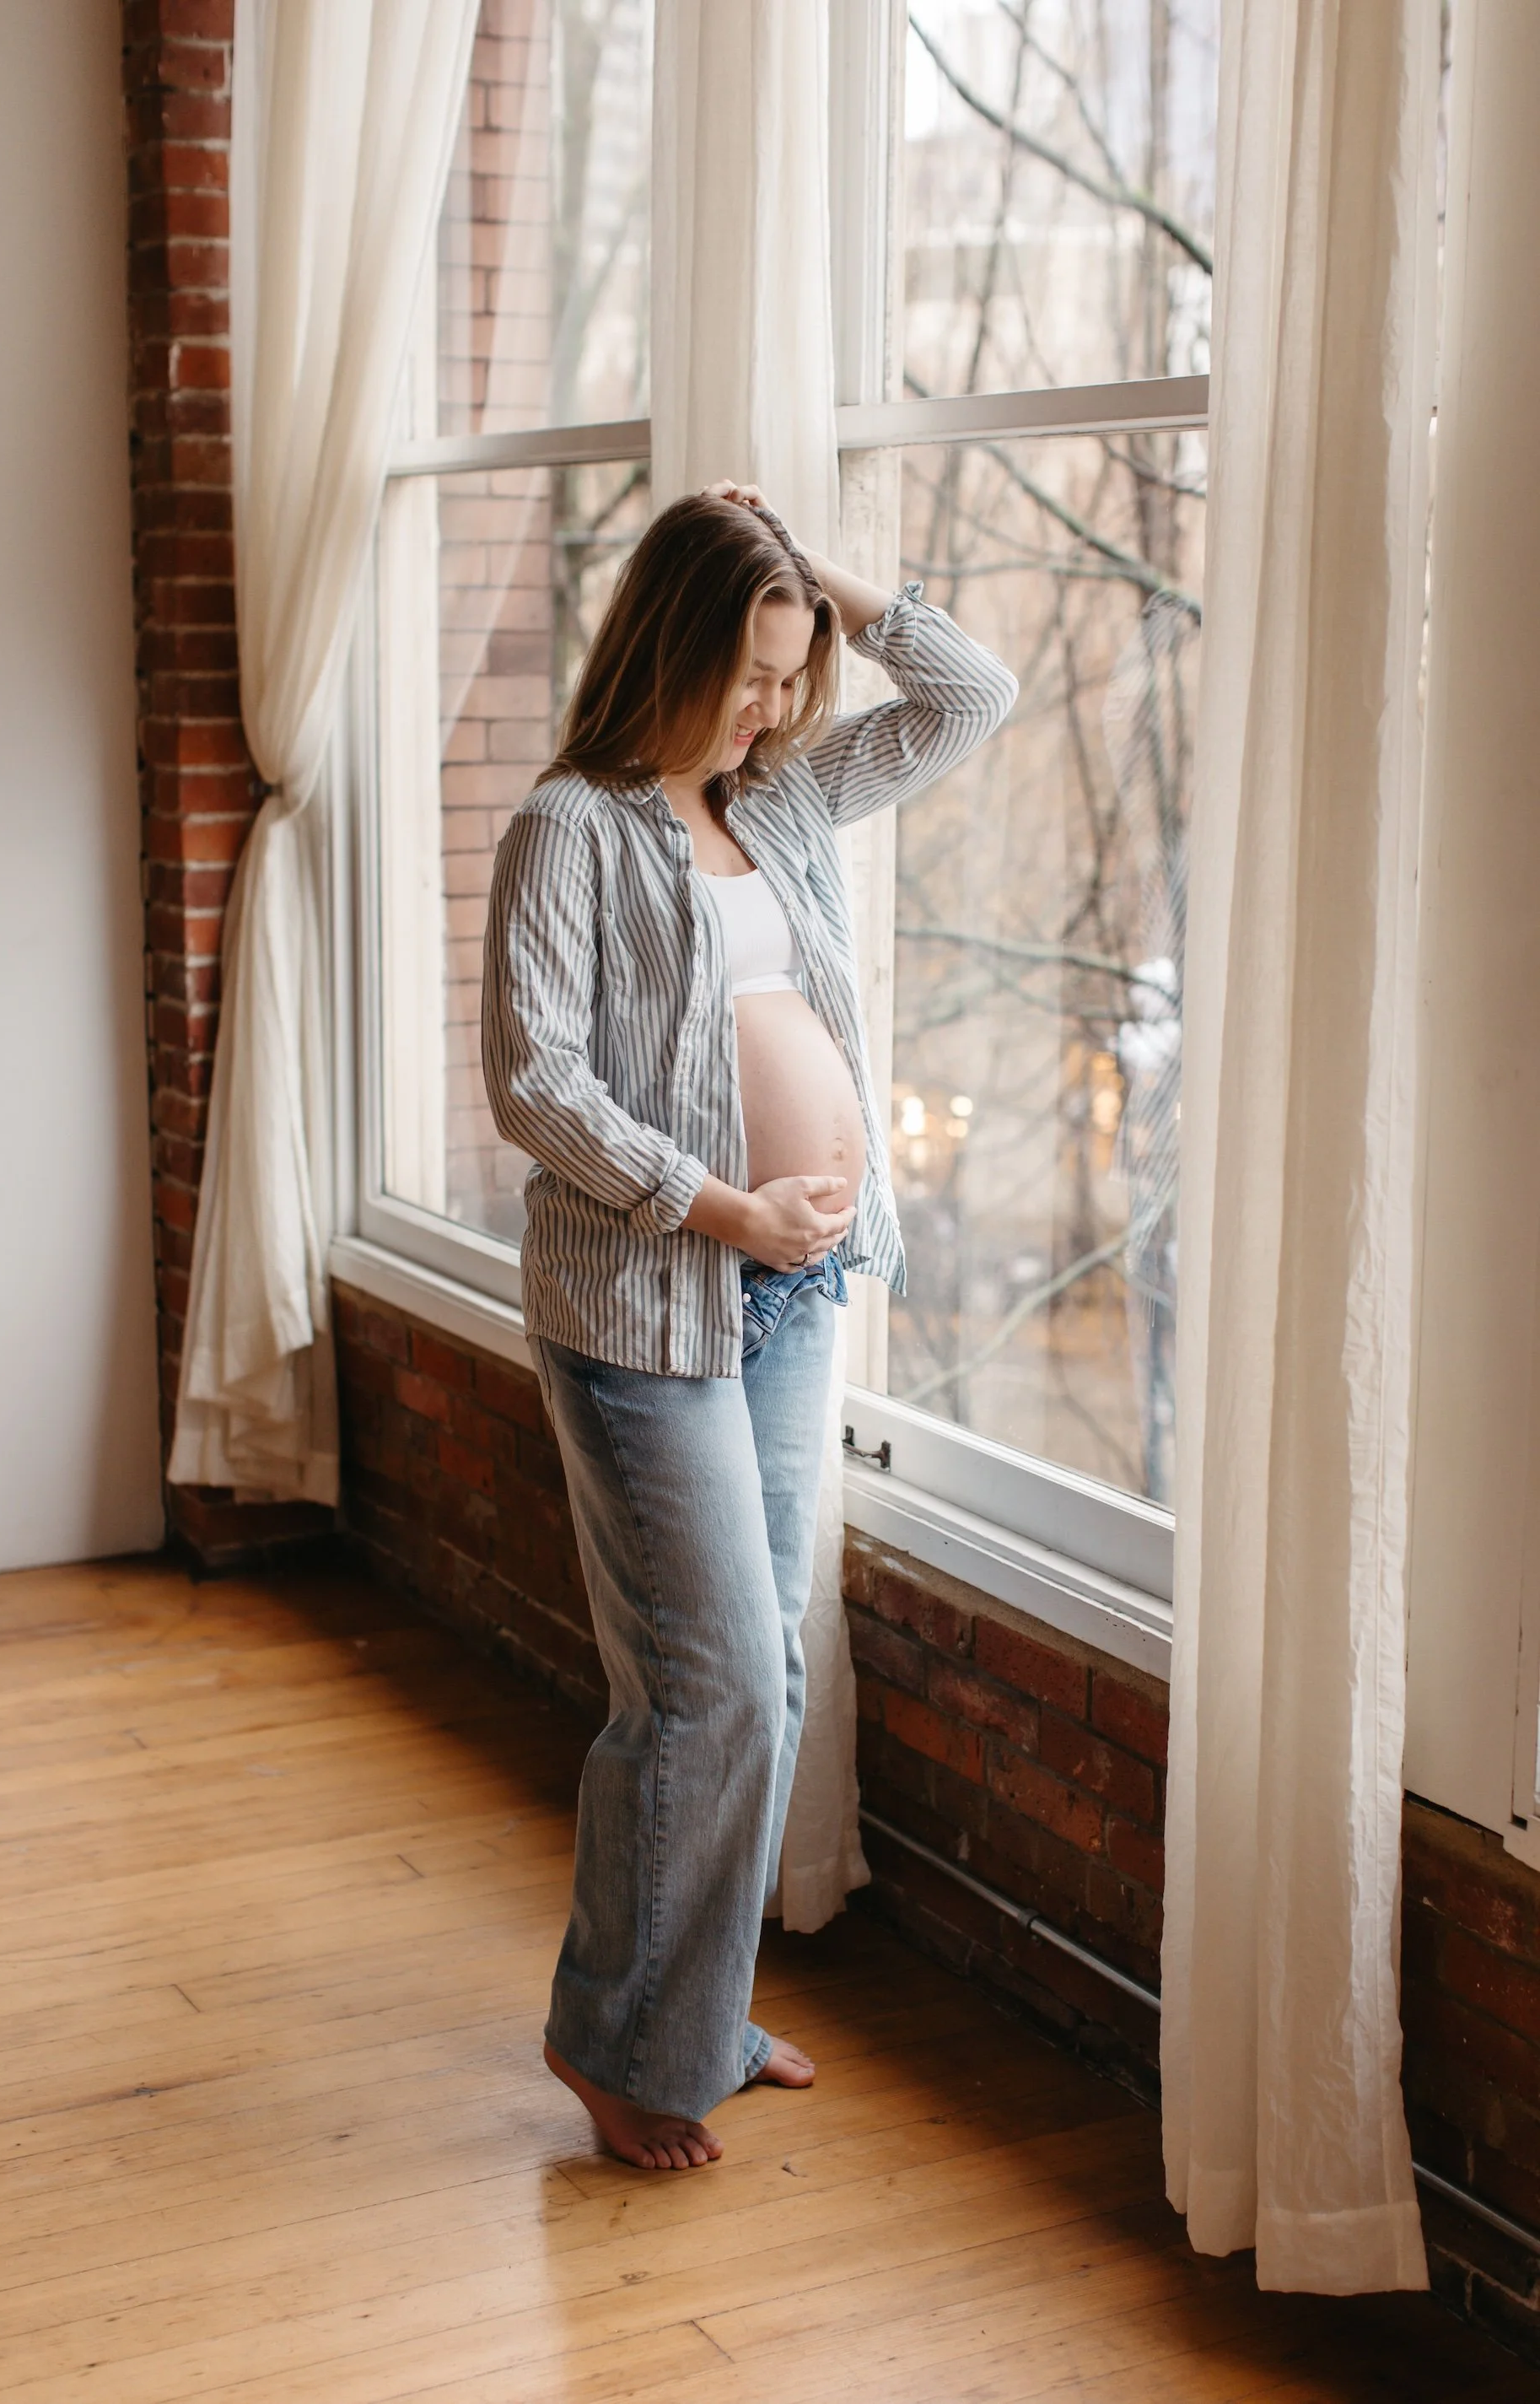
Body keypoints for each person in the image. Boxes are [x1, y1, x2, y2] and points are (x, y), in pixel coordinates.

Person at [482, 482, 1017, 2170]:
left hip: (797, 1294)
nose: (772, 706)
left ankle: (692, 2012)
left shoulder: (780, 802)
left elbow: (971, 696)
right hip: (647, 1297)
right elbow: (533, 1082)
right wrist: (718, 1206)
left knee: (762, 1673)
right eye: (745, 669)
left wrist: (819, 580)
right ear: (666, 644)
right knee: (705, 1685)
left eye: (791, 673)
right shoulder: (567, 825)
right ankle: (617, 2042)